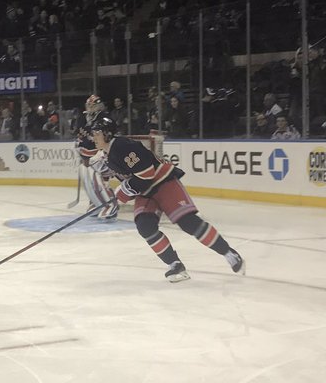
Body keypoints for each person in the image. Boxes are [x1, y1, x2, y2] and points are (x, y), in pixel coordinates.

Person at [89, 114, 244, 282]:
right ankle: (175, 264)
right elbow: (131, 179)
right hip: (145, 191)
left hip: (163, 182)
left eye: (96, 132)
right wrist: (117, 184)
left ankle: (229, 252)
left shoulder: (123, 146)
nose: (93, 137)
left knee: (187, 222)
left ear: (107, 133)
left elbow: (147, 173)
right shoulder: (108, 154)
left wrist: (124, 190)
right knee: (145, 226)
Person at [73, 94, 118, 220]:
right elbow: (80, 136)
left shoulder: (105, 119)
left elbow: (106, 138)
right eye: (88, 105)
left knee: (94, 174)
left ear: (98, 106)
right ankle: (96, 202)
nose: (89, 107)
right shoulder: (84, 119)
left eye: (92, 105)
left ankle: (110, 204)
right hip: (91, 157)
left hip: (106, 157)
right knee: (85, 171)